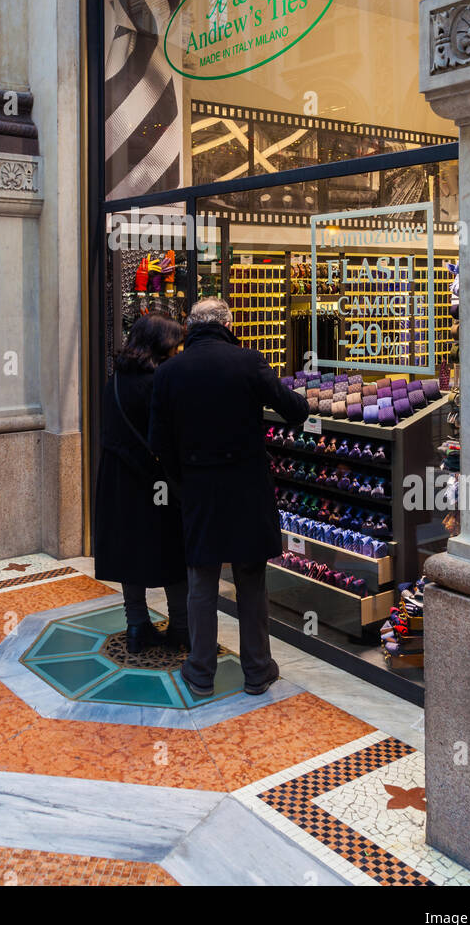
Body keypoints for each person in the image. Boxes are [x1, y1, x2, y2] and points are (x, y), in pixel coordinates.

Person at [149, 297, 309, 696]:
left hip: (200, 489)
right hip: (246, 487)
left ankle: (201, 670)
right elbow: (294, 410)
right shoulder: (248, 361)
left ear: (191, 327)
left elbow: (158, 441)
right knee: (251, 579)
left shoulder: (169, 372)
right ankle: (257, 670)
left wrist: (182, 481)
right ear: (227, 324)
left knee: (201, 579)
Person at [94, 311, 189, 653]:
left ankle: (137, 627)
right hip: (157, 484)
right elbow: (170, 437)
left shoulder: (115, 380)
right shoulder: (160, 382)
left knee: (129, 554)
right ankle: (180, 628)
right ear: (160, 345)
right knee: (172, 555)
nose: (178, 351)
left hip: (119, 481)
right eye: (174, 345)